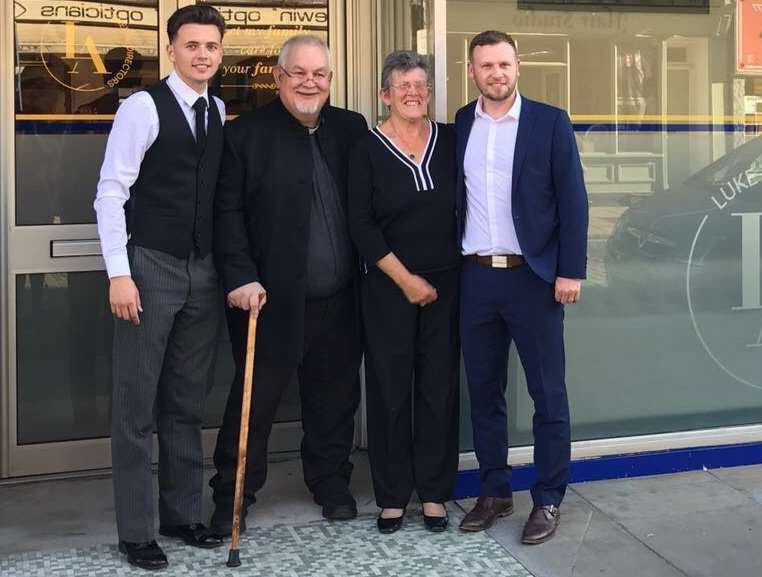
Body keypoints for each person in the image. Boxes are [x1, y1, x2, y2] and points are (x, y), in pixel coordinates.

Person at [209, 35, 368, 535]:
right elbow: (226, 214)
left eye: (319, 74)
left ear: (330, 81)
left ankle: (331, 484)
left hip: (341, 301)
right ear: (277, 78)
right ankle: (231, 496)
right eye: (298, 72)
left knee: (335, 400)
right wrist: (240, 276)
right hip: (268, 302)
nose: (309, 82)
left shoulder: (350, 128)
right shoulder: (246, 136)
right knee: (253, 404)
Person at [94, 4, 227, 570]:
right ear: (171, 48)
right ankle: (136, 530)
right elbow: (110, 192)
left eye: (211, 46)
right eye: (192, 45)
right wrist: (118, 273)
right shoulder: (141, 107)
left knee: (185, 401)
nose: (202, 55)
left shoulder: (218, 108)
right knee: (136, 404)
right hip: (149, 266)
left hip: (204, 270)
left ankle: (182, 514)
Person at [455, 30, 588, 545]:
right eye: (486, 65)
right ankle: (494, 491)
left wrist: (569, 270)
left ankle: (549, 497)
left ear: (518, 67)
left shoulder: (549, 122)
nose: (496, 73)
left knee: (547, 394)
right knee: (484, 392)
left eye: (504, 64)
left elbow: (573, 200)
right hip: (476, 278)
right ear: (472, 72)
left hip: (533, 278)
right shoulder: (462, 124)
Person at [348, 51, 460, 534]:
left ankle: (434, 493)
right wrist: (406, 280)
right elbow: (361, 225)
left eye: (421, 85)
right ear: (384, 95)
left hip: (449, 284)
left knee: (438, 388)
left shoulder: (452, 141)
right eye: (403, 85)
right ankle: (392, 495)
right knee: (391, 389)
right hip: (389, 287)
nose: (413, 93)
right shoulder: (367, 149)